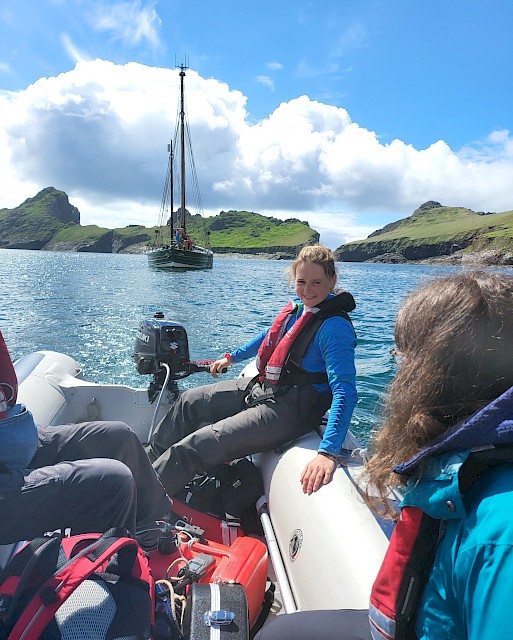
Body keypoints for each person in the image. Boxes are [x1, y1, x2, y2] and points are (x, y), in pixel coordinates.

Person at [256, 270, 513, 640]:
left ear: (442, 374)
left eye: (406, 359)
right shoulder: (464, 459)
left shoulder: (499, 535)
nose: (400, 376)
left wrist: (328, 451)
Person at [146, 244, 358, 496]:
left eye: (317, 282)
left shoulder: (335, 327)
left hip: (289, 411)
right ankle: (147, 466)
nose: (308, 290)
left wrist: (328, 451)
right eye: (302, 281)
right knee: (189, 401)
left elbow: (345, 390)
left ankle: (143, 502)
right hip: (263, 389)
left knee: (197, 445)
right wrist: (230, 358)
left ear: (332, 280)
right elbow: (268, 337)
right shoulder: (300, 310)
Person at [0, 330, 171, 549]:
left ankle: (159, 527)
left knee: (120, 437)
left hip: (14, 439)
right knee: (114, 481)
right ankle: (114, 570)